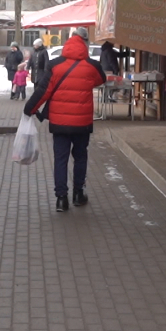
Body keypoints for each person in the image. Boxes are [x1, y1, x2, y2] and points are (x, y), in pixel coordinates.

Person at [24, 28, 105, 212]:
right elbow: (101, 80)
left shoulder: (55, 65)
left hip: (59, 123)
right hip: (82, 124)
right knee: (80, 157)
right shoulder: (92, 66)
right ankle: (78, 194)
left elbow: (43, 91)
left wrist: (29, 109)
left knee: (60, 159)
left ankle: (61, 199)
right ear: (85, 44)